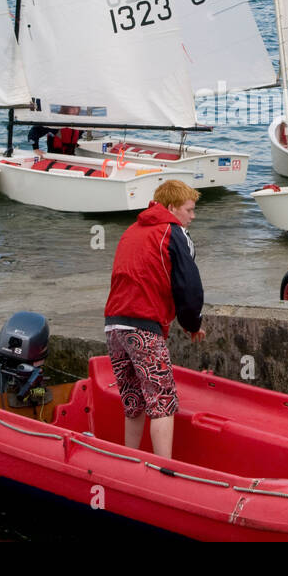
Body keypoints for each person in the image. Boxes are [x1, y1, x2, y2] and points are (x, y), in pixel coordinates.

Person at [103, 179, 205, 459]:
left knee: (133, 399)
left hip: (114, 324)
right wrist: (192, 324)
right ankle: (164, 468)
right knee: (162, 400)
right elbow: (188, 285)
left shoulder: (131, 230)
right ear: (172, 208)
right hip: (143, 326)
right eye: (189, 210)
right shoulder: (173, 233)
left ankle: (129, 459)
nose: (192, 217)